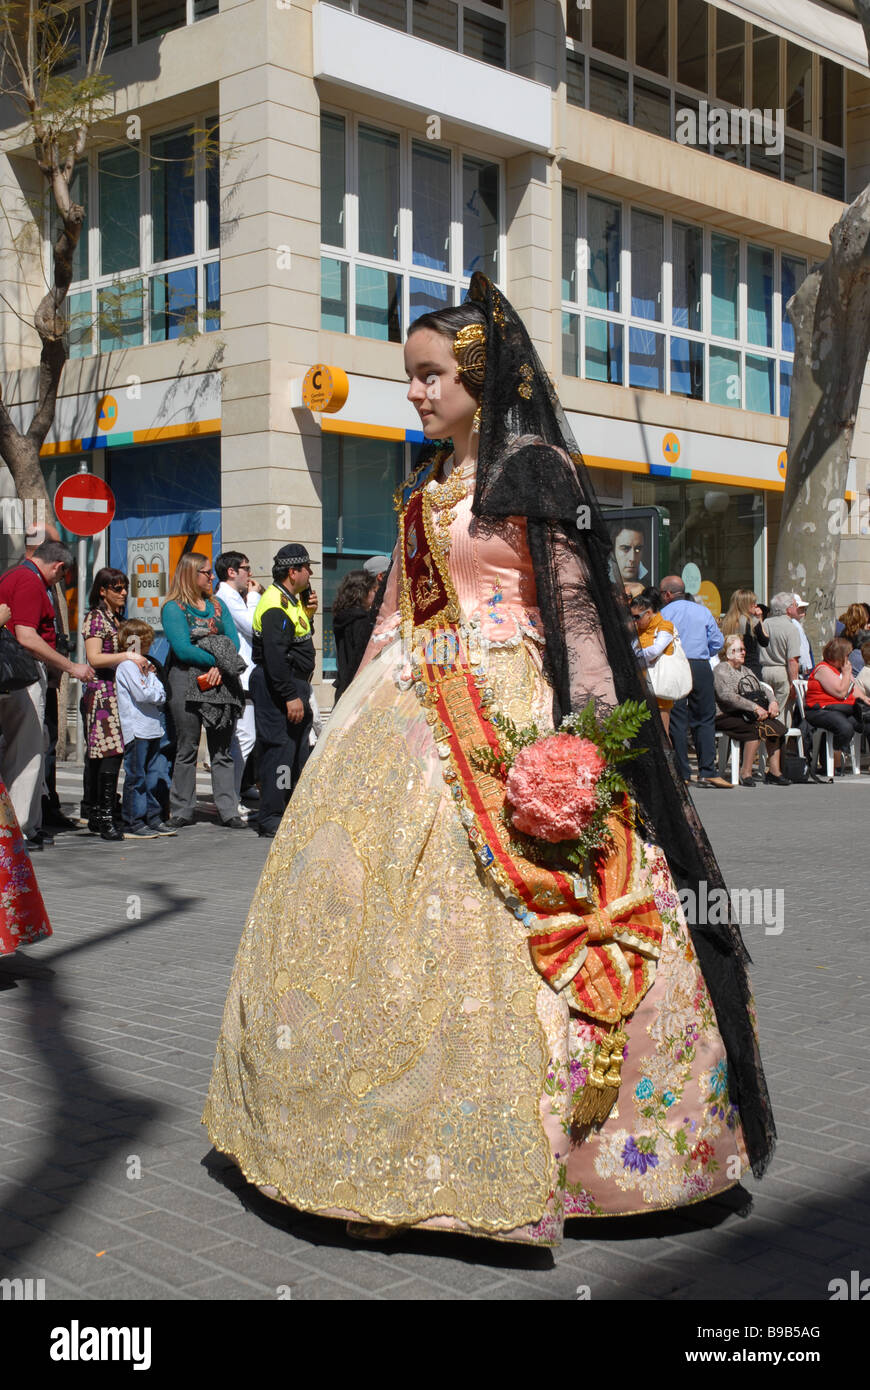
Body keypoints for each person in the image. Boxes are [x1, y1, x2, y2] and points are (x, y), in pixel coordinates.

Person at [204, 273, 774, 1246]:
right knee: (369, 919)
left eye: (431, 376)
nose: (417, 393)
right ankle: (373, 1155)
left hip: (512, 705)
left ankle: (579, 1159)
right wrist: (347, 719)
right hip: (408, 708)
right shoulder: (421, 487)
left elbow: (579, 606)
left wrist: (591, 736)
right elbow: (392, 616)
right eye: (411, 378)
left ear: (477, 373)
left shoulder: (534, 469)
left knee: (520, 914)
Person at [0, 540, 93, 850]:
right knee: (26, 754)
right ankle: (20, 830)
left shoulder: (15, 577)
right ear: (58, 567)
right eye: (61, 577)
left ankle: (19, 826)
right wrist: (71, 667)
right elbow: (26, 636)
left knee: (19, 751)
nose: (59, 582)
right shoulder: (29, 581)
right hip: (22, 674)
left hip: (15, 674)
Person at [161, 553, 242, 829]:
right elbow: (183, 649)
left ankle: (228, 809)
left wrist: (221, 665)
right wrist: (216, 660)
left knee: (222, 748)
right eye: (206, 572)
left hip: (221, 681)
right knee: (187, 746)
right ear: (190, 575)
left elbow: (233, 642)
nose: (211, 577)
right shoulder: (174, 608)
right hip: (185, 680)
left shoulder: (217, 605)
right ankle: (182, 809)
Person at [248, 545, 318, 839]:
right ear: (293, 572)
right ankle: (272, 815)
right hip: (279, 686)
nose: (311, 573)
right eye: (306, 568)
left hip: (292, 683)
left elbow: (297, 641)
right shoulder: (275, 604)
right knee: (280, 751)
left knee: (296, 751)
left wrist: (309, 615)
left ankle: (290, 810)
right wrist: (290, 695)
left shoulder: (291, 601)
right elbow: (275, 657)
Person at [81, 568, 151, 842]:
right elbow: (94, 658)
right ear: (102, 591)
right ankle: (105, 815)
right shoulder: (95, 618)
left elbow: (130, 655)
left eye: (125, 588)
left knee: (113, 754)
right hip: (102, 694)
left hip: (120, 693)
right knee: (107, 754)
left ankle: (101, 812)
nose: (123, 593)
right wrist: (127, 657)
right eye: (117, 588)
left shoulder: (120, 620)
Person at [659, 575, 731, 788]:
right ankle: (707, 770)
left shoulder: (665, 613)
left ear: (668, 594)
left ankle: (683, 773)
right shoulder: (702, 611)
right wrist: (704, 652)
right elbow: (717, 641)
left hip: (676, 663)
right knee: (705, 717)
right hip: (700, 665)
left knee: (678, 720)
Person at [115, 619, 176, 838]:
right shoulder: (127, 667)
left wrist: (151, 680)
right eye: (146, 641)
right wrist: (152, 685)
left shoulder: (147, 668)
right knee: (136, 777)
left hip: (152, 728)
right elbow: (145, 694)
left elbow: (160, 693)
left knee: (152, 776)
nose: (149, 646)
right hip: (137, 729)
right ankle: (133, 820)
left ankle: (153, 817)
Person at [214, 551, 260, 821]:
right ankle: (231, 795)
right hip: (239, 677)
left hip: (245, 676)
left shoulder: (234, 597)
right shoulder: (226, 598)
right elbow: (253, 625)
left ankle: (236, 790)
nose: (249, 574)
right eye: (246, 568)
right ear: (231, 572)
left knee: (244, 737)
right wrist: (254, 597)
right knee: (243, 736)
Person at [713, 635, 789, 787]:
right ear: (728, 652)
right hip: (725, 714)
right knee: (754, 730)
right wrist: (754, 707)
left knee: (774, 727)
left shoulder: (746, 669)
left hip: (746, 713)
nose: (742, 653)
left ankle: (774, 772)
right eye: (738, 650)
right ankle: (745, 772)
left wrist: (773, 701)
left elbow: (761, 688)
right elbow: (727, 696)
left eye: (743, 649)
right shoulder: (721, 670)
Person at [804, 636, 870, 773]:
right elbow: (840, 692)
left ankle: (838, 758)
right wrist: (846, 673)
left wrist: (864, 699)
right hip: (820, 710)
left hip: (842, 710)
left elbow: (854, 689)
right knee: (844, 727)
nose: (849, 659)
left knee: (867, 723)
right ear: (839, 655)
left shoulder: (841, 669)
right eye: (847, 655)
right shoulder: (823, 669)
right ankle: (832, 762)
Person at [629, 587, 676, 735]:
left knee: (662, 732)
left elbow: (655, 651)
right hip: (641, 684)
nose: (635, 621)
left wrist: (638, 652)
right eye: (633, 618)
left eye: (637, 617)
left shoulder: (665, 626)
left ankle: (666, 758)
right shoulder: (638, 630)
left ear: (648, 613)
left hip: (659, 684)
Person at [332, 569, 378, 701]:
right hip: (356, 688)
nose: (375, 595)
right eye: (373, 591)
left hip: (343, 684)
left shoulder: (342, 616)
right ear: (362, 593)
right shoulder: (361, 621)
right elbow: (360, 657)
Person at [759, 592, 801, 714]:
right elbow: (793, 660)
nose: (796, 607)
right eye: (794, 605)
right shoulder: (791, 628)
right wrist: (794, 684)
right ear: (788, 609)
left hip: (765, 670)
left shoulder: (765, 623)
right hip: (782, 672)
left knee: (767, 711)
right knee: (782, 713)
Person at [720, 588, 770, 680]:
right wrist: (760, 619)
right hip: (750, 668)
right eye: (753, 603)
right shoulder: (752, 622)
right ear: (745, 605)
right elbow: (765, 641)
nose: (756, 605)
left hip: (730, 668)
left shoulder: (726, 622)